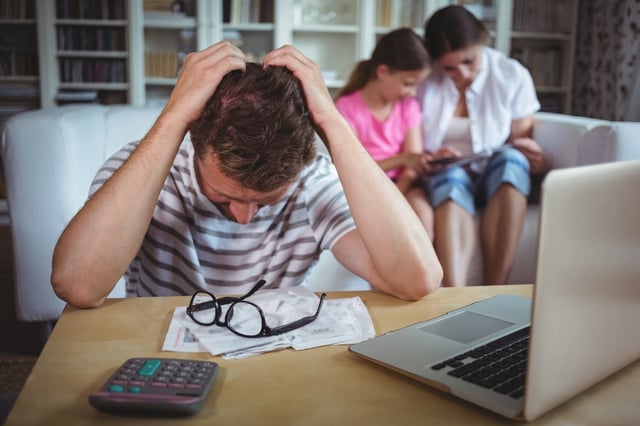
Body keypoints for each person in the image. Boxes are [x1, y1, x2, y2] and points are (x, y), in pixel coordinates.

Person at [51, 41, 443, 308]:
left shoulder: (312, 182)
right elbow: (78, 286)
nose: (244, 218)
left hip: (271, 362)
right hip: (160, 359)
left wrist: (333, 124)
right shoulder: (147, 170)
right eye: (223, 197)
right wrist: (174, 116)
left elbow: (417, 279)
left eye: (266, 201)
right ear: (194, 143)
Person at [417, 5, 547, 286]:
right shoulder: (425, 81)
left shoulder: (511, 74)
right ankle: (455, 295)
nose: (461, 73)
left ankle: (495, 288)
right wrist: (428, 156)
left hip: (494, 174)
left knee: (513, 161)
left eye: (469, 61)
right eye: (449, 67)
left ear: (482, 42)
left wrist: (534, 158)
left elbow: (520, 141)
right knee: (451, 179)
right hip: (445, 173)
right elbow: (408, 141)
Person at [335, 28, 434, 238]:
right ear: (382, 72)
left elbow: (412, 166)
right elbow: (354, 169)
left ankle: (427, 271)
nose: (413, 92)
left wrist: (397, 195)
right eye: (408, 83)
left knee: (423, 214)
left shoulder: (408, 107)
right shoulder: (346, 108)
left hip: (402, 187)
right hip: (364, 188)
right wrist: (403, 159)